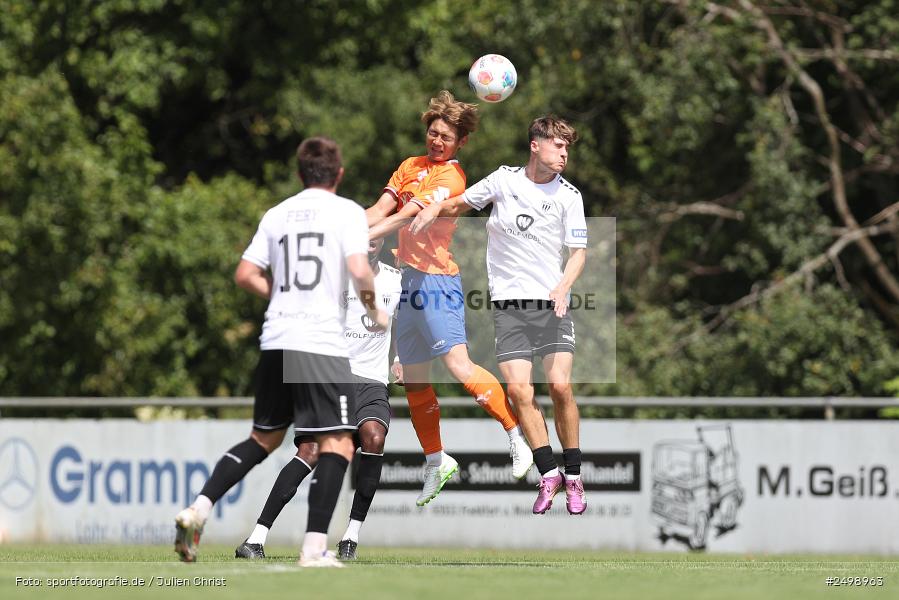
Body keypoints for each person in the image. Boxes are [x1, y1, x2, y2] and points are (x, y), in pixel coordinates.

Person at [174, 136, 389, 567]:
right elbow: (359, 268)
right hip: (320, 345)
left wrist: (279, 296)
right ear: (339, 174)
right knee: (339, 444)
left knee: (264, 439)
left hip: (276, 341)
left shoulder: (278, 213)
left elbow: (245, 273)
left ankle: (199, 508)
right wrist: (375, 310)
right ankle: (314, 549)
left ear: (299, 175)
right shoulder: (346, 211)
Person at [410, 115, 588, 515]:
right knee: (519, 392)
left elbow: (578, 253)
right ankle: (549, 474)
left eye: (566, 147)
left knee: (559, 386)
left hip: (551, 304)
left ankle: (574, 475)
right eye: (557, 145)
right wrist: (432, 207)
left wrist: (562, 286)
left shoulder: (569, 196)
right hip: (509, 308)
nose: (563, 153)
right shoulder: (504, 180)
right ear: (535, 145)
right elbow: (460, 201)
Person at [367, 90, 532, 507]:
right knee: (414, 381)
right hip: (407, 284)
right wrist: (347, 225)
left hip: (437, 283)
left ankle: (517, 436)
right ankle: (436, 460)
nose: (437, 141)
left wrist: (370, 234)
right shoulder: (409, 166)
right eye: (433, 134)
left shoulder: (452, 178)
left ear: (460, 143)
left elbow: (406, 216)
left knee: (459, 366)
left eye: (445, 137)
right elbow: (381, 207)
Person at [234, 237, 403, 561]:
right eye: (362, 234)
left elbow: (407, 323)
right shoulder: (330, 276)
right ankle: (256, 539)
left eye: (376, 235)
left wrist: (401, 357)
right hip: (329, 376)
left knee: (374, 437)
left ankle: (350, 537)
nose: (369, 241)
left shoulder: (395, 280)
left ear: (382, 240)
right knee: (310, 451)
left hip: (370, 380)